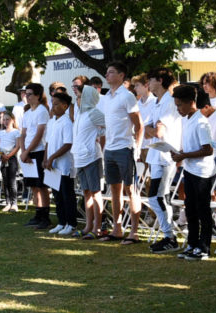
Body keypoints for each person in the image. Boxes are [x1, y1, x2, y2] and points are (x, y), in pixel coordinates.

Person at [98, 62, 143, 244]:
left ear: (121, 75)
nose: (107, 75)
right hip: (110, 149)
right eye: (107, 72)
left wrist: (137, 148)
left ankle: (134, 232)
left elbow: (139, 125)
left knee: (131, 190)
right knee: (114, 189)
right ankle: (117, 229)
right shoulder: (107, 97)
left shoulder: (127, 96)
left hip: (125, 148)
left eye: (111, 72)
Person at [170, 84, 214, 260]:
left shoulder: (201, 122)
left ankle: (204, 246)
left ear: (190, 102)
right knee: (190, 209)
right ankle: (192, 243)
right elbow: (189, 145)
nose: (178, 109)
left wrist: (185, 155)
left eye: (180, 105)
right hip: (189, 169)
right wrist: (180, 154)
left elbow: (208, 149)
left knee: (202, 210)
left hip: (202, 172)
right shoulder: (185, 120)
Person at [146, 69, 180, 252]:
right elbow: (146, 128)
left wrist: (152, 129)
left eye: (150, 80)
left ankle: (170, 237)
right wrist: (152, 129)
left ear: (159, 80)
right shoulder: (156, 102)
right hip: (155, 156)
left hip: (165, 156)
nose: (148, 84)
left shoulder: (169, 102)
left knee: (158, 198)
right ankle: (168, 235)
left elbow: (158, 132)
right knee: (156, 197)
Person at [72, 85, 107, 239]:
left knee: (95, 192)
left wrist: (99, 135)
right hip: (79, 157)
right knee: (86, 192)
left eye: (80, 97)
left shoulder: (94, 113)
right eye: (77, 97)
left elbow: (109, 126)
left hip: (92, 156)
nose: (77, 100)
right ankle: (88, 226)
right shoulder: (79, 114)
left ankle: (98, 227)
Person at [43, 92, 77, 235]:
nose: (53, 107)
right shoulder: (52, 121)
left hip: (64, 166)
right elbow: (48, 143)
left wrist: (52, 158)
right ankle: (61, 222)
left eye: (56, 104)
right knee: (57, 196)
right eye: (52, 103)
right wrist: (46, 158)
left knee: (67, 194)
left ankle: (71, 223)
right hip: (53, 166)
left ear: (65, 106)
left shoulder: (67, 122)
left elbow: (68, 144)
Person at [19, 83, 52, 229]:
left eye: (30, 93)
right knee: (33, 185)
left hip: (38, 151)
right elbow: (23, 133)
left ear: (38, 95)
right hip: (27, 151)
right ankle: (38, 213)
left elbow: (39, 134)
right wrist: (23, 150)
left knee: (41, 186)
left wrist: (27, 151)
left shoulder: (42, 111)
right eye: (26, 93)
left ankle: (45, 216)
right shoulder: (27, 113)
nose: (27, 96)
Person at [0, 111, 21, 212]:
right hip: (2, 157)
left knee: (12, 180)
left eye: (7, 119)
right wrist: (2, 155)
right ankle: (8, 202)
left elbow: (17, 146)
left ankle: (14, 203)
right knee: (5, 181)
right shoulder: (0, 132)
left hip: (12, 157)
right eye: (4, 120)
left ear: (13, 120)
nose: (5, 121)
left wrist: (9, 155)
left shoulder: (16, 132)